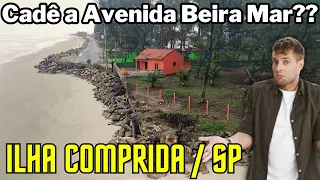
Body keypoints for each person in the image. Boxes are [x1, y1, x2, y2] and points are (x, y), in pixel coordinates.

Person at [198, 37, 320, 180]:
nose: (278, 67)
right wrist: (227, 143)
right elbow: (247, 134)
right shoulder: (258, 92)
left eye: (286, 61)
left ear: (300, 64)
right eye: (275, 61)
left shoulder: (316, 95)